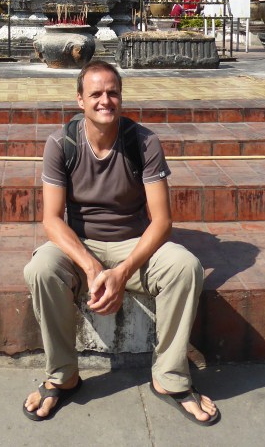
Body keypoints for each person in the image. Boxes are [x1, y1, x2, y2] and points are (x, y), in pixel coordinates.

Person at [23, 60, 219, 426]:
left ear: (121, 97)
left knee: (185, 267)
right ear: (80, 100)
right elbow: (51, 219)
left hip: (134, 244)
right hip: (82, 245)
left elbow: (162, 221)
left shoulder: (143, 142)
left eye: (112, 93)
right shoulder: (61, 144)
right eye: (95, 93)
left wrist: (123, 271)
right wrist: (92, 267)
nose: (105, 101)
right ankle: (62, 376)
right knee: (41, 268)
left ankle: (170, 378)